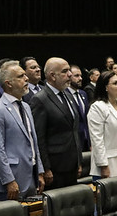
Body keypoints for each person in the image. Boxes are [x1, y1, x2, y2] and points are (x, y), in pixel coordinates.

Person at [0, 62, 45, 200]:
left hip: (31, 175)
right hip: (12, 180)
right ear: (9, 83)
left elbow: (33, 141)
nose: (27, 79)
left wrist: (40, 171)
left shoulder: (25, 106)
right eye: (21, 76)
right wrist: (8, 180)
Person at [31, 57, 82, 189]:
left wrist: (78, 161)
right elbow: (39, 138)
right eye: (65, 71)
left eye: (69, 71)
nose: (70, 74)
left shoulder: (68, 95)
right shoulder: (40, 99)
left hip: (72, 165)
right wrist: (45, 169)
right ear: (52, 76)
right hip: (55, 168)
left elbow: (73, 130)